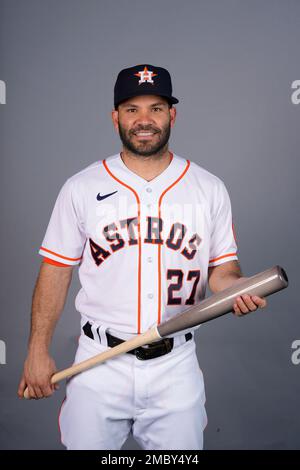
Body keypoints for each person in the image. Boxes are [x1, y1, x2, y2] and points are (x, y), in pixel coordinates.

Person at [18, 64, 267, 450]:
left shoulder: (208, 187)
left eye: (156, 107)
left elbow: (222, 270)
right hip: (99, 362)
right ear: (115, 117)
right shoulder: (81, 188)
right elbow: (56, 269)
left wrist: (236, 289)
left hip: (176, 366)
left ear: (172, 115)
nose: (145, 120)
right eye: (132, 109)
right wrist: (37, 349)